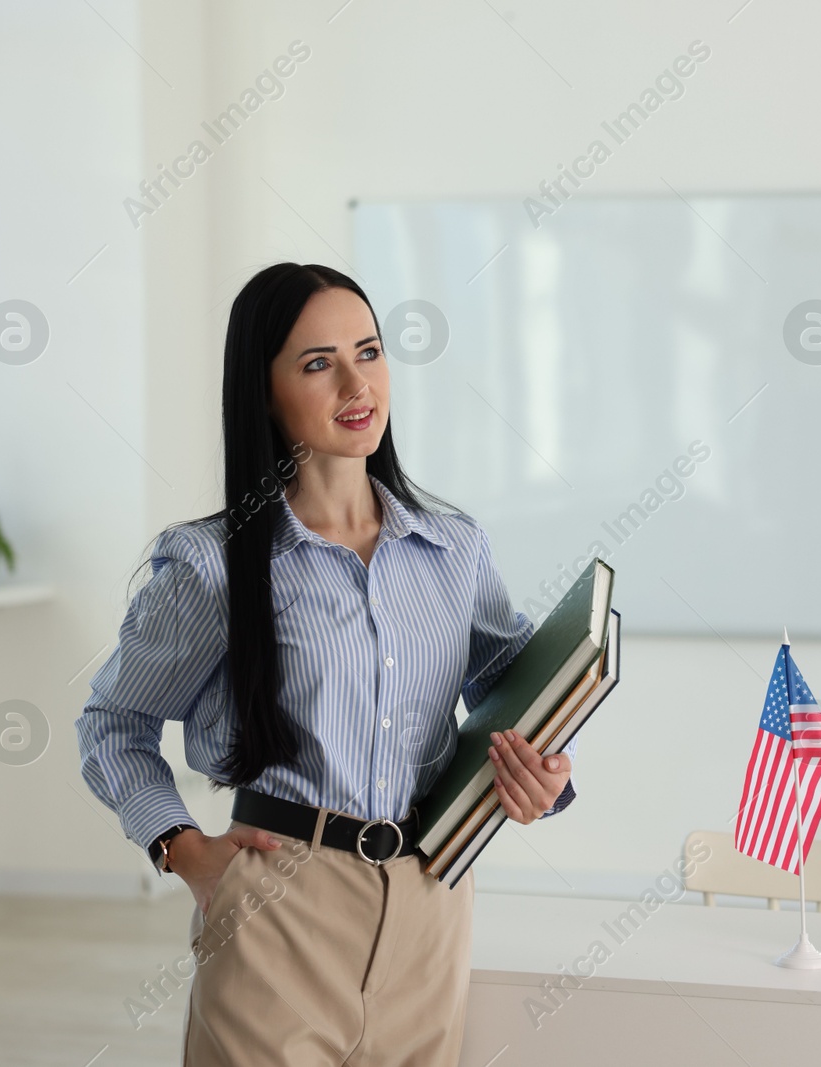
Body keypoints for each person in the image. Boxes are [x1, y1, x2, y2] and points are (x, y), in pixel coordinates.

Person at [76, 262, 574, 1066]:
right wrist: (182, 848)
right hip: (275, 905)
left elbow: (524, 696)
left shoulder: (455, 551)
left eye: (369, 351)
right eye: (317, 363)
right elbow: (114, 723)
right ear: (263, 391)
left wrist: (546, 779)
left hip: (431, 901)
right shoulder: (212, 567)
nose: (356, 381)